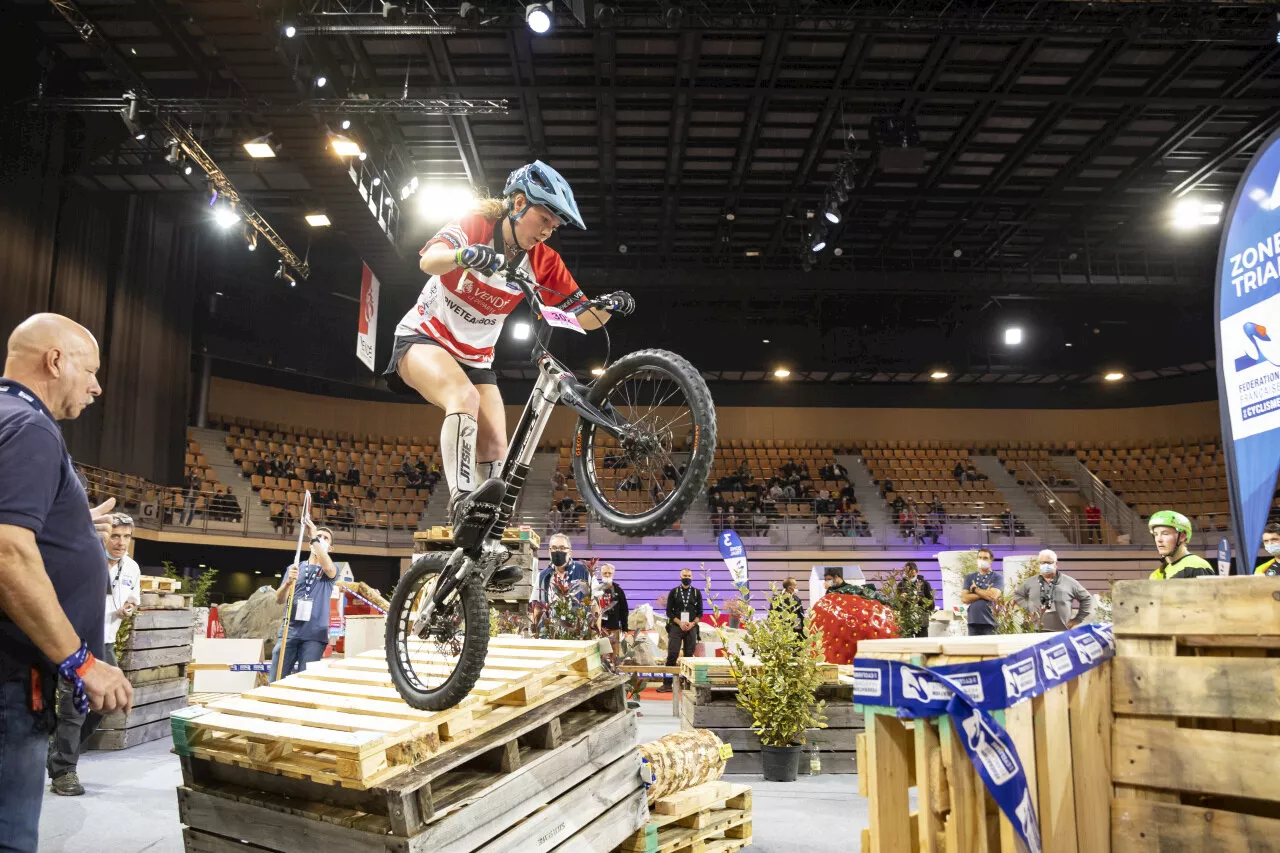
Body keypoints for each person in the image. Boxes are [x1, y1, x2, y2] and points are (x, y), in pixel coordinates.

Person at [382, 160, 633, 561]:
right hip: (423, 339)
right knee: (463, 399)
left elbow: (583, 318)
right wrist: (466, 255)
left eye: (555, 224)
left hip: (476, 359)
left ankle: (483, 550)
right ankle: (462, 503)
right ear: (518, 203)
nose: (549, 230)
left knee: (498, 445)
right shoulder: (476, 223)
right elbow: (428, 261)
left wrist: (610, 307)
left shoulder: (545, 261)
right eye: (544, 218)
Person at [0, 313, 133, 851]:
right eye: (91, 370)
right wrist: (79, 660)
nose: (97, 386)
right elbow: (8, 551)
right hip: (8, 683)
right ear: (56, 361)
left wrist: (71, 524)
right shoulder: (31, 428)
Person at [46, 512, 141, 796]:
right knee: (73, 710)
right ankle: (64, 771)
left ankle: (59, 750)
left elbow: (134, 596)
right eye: (115, 535)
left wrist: (130, 607)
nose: (120, 542)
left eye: (126, 536)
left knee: (109, 704)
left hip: (106, 644)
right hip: (76, 643)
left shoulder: (132, 568)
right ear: (102, 535)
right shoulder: (83, 560)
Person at [269, 519, 338, 681]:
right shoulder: (294, 568)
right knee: (276, 679)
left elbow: (328, 568)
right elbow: (279, 599)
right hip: (290, 632)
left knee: (305, 682)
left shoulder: (331, 568)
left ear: (331, 548)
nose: (321, 538)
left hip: (314, 635)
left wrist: (315, 538)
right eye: (318, 535)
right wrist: (287, 583)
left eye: (325, 538)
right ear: (309, 544)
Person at [1013, 549, 1094, 632]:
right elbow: (1017, 595)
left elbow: (1087, 598)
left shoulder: (1069, 582)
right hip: (1036, 631)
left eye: (1049, 562)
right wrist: (1029, 606)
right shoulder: (1030, 582)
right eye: (1043, 562)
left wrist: (1077, 620)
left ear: (1056, 564)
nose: (1046, 565)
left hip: (1062, 631)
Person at [657, 568, 702, 693]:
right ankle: (667, 684)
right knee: (672, 654)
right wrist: (680, 623)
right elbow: (668, 612)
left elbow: (700, 613)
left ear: (692, 577)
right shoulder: (674, 592)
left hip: (691, 628)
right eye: (684, 575)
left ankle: (687, 683)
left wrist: (692, 623)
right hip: (676, 627)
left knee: (689, 656)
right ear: (680, 577)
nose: (686, 577)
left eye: (689, 575)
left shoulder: (697, 593)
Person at [1147, 510, 1217, 580]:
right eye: (1156, 534)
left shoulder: (1196, 566)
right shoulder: (1164, 570)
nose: (1159, 539)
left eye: (1165, 533)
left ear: (1182, 536)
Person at [961, 546, 1003, 636]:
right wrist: (984, 593)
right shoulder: (969, 577)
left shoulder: (997, 577)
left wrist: (974, 589)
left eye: (985, 558)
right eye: (980, 557)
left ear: (991, 560)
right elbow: (964, 598)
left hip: (990, 622)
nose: (982, 560)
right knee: (974, 649)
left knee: (990, 649)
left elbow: (993, 596)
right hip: (973, 621)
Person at [538, 532, 589, 604]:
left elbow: (596, 604)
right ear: (549, 552)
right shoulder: (541, 576)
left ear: (570, 553)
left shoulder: (585, 572)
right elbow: (536, 607)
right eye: (554, 548)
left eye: (562, 548)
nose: (558, 551)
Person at [595, 564, 629, 653]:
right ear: (601, 574)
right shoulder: (596, 590)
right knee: (601, 654)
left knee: (614, 654)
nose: (607, 575)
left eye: (609, 573)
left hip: (614, 628)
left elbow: (624, 610)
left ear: (613, 574)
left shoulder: (618, 591)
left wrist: (625, 628)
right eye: (605, 573)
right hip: (600, 628)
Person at [895, 561, 934, 638]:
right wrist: (901, 600)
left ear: (917, 572)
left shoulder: (925, 584)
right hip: (906, 623)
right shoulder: (901, 585)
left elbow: (931, 605)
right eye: (908, 576)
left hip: (921, 623)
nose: (910, 578)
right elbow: (896, 606)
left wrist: (920, 600)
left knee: (923, 646)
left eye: (913, 576)